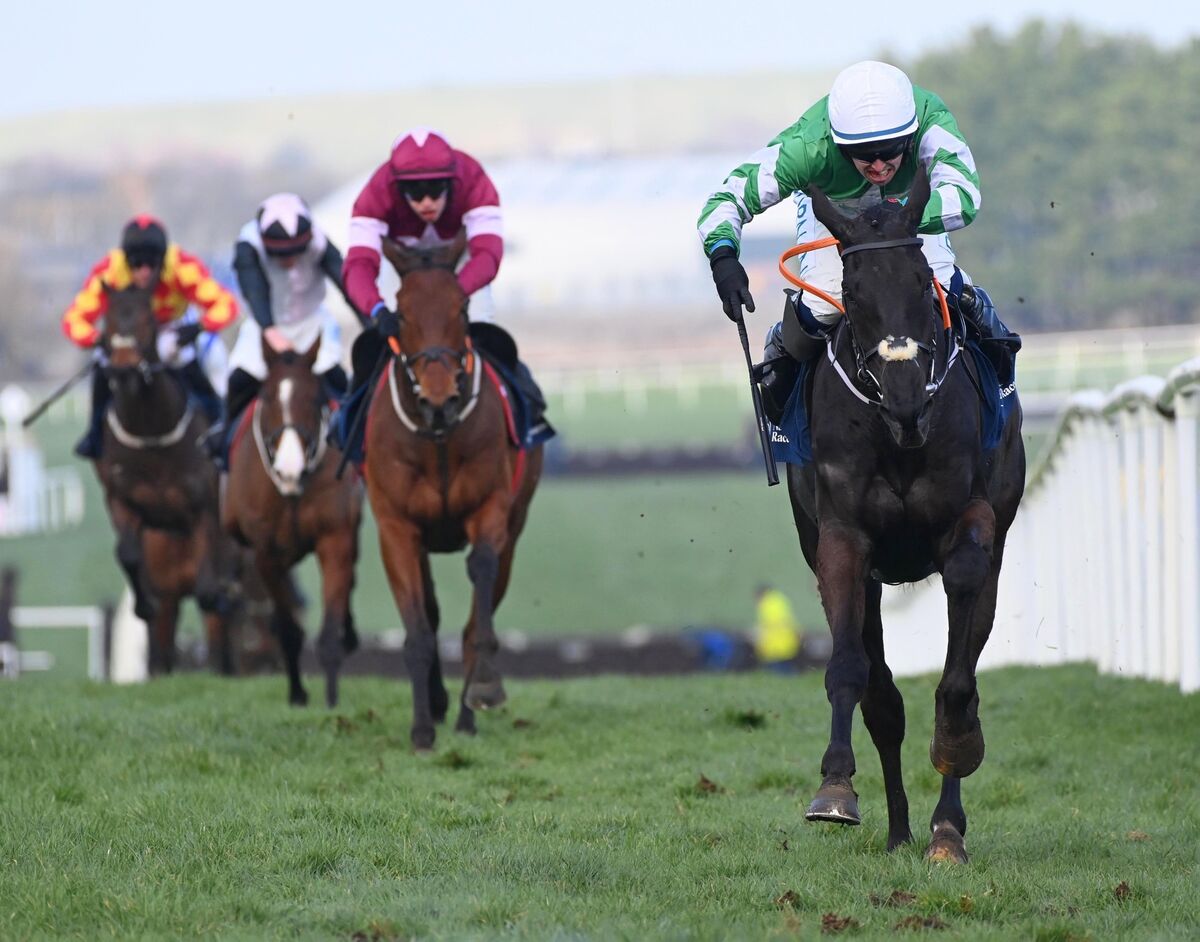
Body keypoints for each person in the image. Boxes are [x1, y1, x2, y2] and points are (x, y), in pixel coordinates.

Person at [697, 60, 1021, 424]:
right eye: (864, 154)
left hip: (907, 210)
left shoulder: (930, 117)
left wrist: (902, 218)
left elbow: (964, 195)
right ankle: (784, 352)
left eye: (890, 149)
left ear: (910, 134)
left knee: (941, 284)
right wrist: (723, 256)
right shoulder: (808, 146)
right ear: (838, 143)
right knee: (825, 304)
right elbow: (727, 199)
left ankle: (988, 338)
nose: (879, 166)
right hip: (838, 211)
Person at [336, 126, 551, 460]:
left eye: (436, 189)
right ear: (397, 187)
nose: (427, 201)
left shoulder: (474, 179)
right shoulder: (374, 194)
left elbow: (487, 255)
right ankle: (350, 432)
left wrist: (453, 294)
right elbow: (358, 267)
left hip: (461, 269)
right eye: (415, 192)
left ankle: (529, 413)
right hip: (402, 270)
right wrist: (376, 310)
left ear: (453, 182)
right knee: (373, 346)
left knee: (485, 334)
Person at [61, 215, 238, 458]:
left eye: (151, 264)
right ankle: (95, 434)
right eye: (136, 264)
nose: (144, 272)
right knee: (102, 362)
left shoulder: (182, 266)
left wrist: (199, 326)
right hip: (129, 334)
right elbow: (74, 319)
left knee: (187, 355)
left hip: (171, 326)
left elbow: (226, 304)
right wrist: (96, 339)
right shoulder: (109, 272)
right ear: (126, 261)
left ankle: (217, 425)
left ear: (162, 260)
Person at [206, 193, 361, 469]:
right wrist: (269, 329)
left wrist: (370, 321)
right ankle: (224, 440)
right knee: (239, 380)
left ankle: (353, 439)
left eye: (295, 252)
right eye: (281, 254)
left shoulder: (318, 241)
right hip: (265, 325)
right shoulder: (248, 245)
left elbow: (346, 284)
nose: (289, 259)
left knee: (336, 379)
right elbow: (253, 290)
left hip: (313, 323)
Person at [752, 584, 803, 672]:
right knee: (786, 669)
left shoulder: (766, 605)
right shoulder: (780, 600)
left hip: (775, 647)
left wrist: (760, 644)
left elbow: (767, 627)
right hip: (788, 643)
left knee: (778, 671)